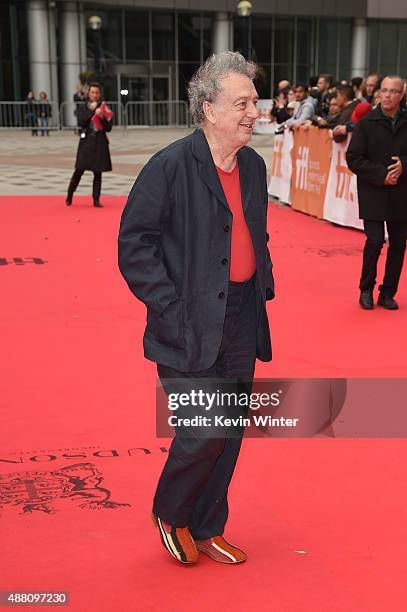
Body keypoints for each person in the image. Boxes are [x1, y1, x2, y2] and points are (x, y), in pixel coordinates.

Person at [118, 51, 274, 565]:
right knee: (204, 428)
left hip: (242, 318)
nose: (254, 111)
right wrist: (168, 306)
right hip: (186, 325)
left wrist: (261, 284)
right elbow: (134, 244)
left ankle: (208, 525)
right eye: (242, 103)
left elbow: (252, 233)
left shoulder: (252, 166)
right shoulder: (168, 166)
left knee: (228, 430)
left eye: (255, 101)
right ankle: (172, 511)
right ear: (208, 108)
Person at [346, 75, 407, 310]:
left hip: (401, 193)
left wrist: (403, 164)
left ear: (401, 95)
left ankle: (388, 292)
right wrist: (381, 175)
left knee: (399, 244)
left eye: (393, 91)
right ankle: (366, 288)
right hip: (374, 192)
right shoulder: (366, 122)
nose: (388, 95)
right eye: (384, 91)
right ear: (378, 93)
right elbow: (353, 158)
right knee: (374, 241)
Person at [65, 82, 113, 207]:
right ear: (89, 93)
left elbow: (108, 128)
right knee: (79, 170)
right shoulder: (83, 106)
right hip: (87, 142)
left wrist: (101, 116)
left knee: (98, 172)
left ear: (99, 94)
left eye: (97, 92)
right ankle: (70, 194)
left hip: (100, 142)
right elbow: (81, 122)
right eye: (93, 92)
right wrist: (92, 112)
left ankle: (96, 199)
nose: (95, 95)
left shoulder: (104, 107)